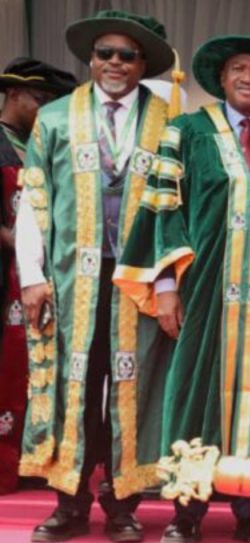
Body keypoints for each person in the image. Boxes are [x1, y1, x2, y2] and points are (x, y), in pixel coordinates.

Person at [113, 35, 250, 543]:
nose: (248, 77)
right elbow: (163, 210)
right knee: (193, 391)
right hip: (203, 290)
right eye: (237, 69)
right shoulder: (185, 132)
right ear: (222, 78)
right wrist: (165, 287)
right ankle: (188, 510)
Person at [15, 9, 175, 543]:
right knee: (76, 386)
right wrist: (32, 275)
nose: (115, 63)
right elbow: (35, 199)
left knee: (133, 386)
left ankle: (123, 503)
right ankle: (70, 501)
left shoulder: (168, 120)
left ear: (143, 64)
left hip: (140, 282)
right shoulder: (55, 118)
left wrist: (170, 284)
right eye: (105, 53)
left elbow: (177, 208)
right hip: (71, 279)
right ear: (90, 59)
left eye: (128, 55)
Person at [0, 57, 76, 495]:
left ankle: (32, 458)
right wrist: (13, 238)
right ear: (12, 93)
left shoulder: (40, 145)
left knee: (40, 367)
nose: (45, 109)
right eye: (39, 99)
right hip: (6, 273)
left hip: (40, 276)